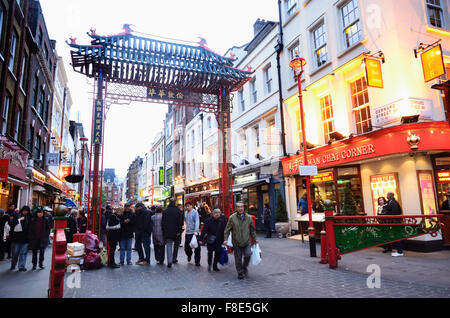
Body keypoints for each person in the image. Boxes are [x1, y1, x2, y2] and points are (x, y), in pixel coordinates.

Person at [223, 201, 258, 280]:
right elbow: (227, 230)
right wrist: (225, 239)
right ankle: (240, 272)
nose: (240, 208)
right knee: (238, 259)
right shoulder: (232, 218)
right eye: (238, 207)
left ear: (244, 208)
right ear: (236, 208)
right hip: (236, 242)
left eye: (241, 207)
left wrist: (255, 239)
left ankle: (244, 267)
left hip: (246, 241)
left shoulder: (248, 218)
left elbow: (252, 230)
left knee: (248, 255)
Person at [9, 206, 31, 271]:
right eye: (24, 210)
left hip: (25, 239)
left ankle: (21, 266)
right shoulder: (17, 216)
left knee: (23, 253)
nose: (25, 212)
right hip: (16, 238)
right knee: (15, 253)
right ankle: (13, 265)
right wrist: (18, 220)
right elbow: (11, 224)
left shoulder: (29, 218)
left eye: (27, 211)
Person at [162, 199, 183, 268]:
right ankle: (174, 258)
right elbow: (180, 222)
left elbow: (163, 222)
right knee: (176, 245)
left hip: (168, 232)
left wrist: (164, 231)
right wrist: (179, 231)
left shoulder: (165, 211)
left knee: (169, 245)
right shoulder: (178, 211)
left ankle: (169, 261)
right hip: (176, 232)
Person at [385, 192, 404, 257]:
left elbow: (394, 212)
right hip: (395, 222)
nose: (386, 196)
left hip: (396, 222)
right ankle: (399, 250)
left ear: (390, 196)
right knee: (396, 235)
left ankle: (400, 251)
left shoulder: (394, 203)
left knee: (397, 235)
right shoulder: (391, 202)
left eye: (387, 195)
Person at [184, 201, 201, 266]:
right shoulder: (185, 213)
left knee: (197, 248)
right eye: (186, 206)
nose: (187, 207)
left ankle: (197, 261)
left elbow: (197, 222)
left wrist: (196, 231)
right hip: (188, 232)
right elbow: (185, 220)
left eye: (188, 206)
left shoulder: (195, 212)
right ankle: (189, 255)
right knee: (187, 247)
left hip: (194, 233)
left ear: (191, 206)